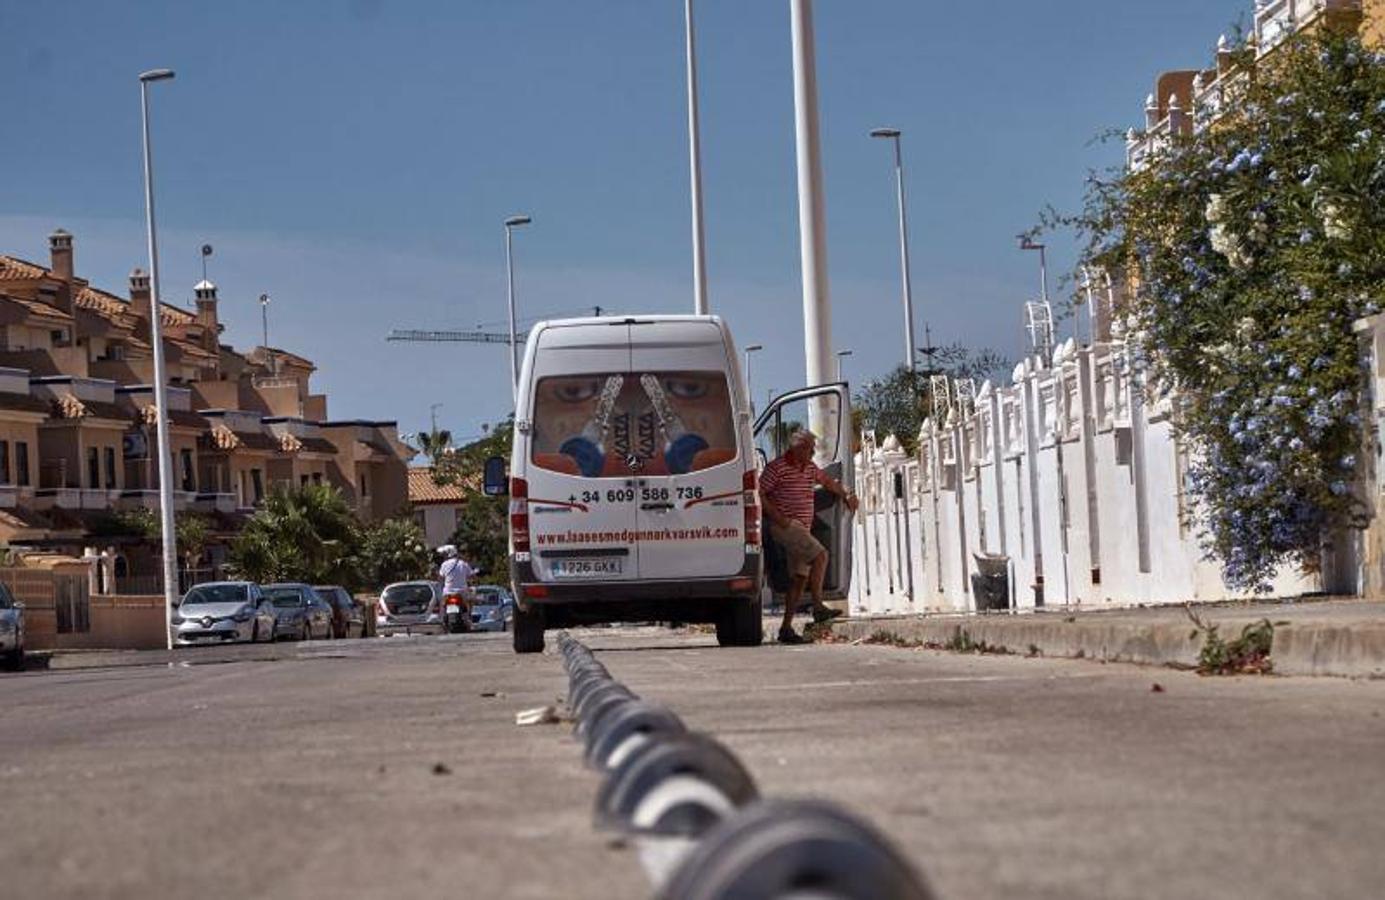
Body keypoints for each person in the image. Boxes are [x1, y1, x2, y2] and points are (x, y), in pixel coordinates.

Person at [759, 429, 858, 644]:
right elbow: (759, 493)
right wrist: (778, 517)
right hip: (787, 527)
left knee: (799, 579)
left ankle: (786, 628)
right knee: (821, 556)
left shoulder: (810, 468)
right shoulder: (776, 468)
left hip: (801, 529)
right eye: (810, 449)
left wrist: (847, 494)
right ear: (798, 448)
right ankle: (819, 607)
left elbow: (828, 482)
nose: (813, 453)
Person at [437, 545, 476, 625]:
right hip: (462, 592)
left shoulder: (444, 565)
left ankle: (442, 618)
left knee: (442, 604)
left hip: (448, 592)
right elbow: (472, 576)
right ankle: (469, 615)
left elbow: (440, 578)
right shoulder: (463, 564)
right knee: (471, 599)